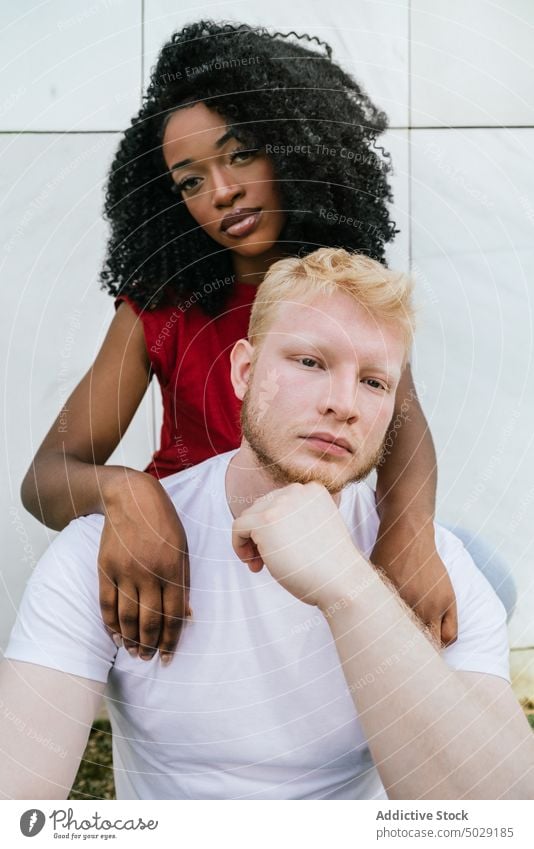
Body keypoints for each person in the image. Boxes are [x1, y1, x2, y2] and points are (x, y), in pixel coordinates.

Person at [2, 248, 532, 800]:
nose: (343, 403)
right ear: (244, 371)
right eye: (310, 362)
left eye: (375, 382)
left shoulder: (435, 567)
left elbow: (501, 818)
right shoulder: (103, 553)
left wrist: (348, 588)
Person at [21, 20, 455, 664]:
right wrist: (127, 494)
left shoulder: (348, 290)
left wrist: (410, 530)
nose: (221, 191)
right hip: (186, 560)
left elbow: (403, 430)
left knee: (480, 582)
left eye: (241, 152)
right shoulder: (160, 304)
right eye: (189, 181)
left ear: (298, 148)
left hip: (311, 543)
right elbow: (45, 480)